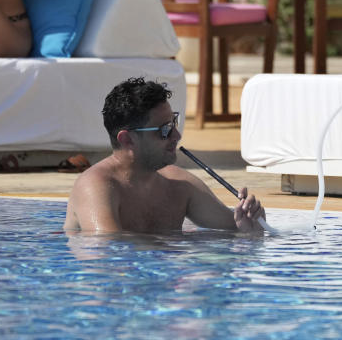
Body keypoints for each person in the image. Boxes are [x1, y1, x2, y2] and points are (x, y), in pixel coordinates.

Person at [64, 77, 267, 234]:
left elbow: (236, 229)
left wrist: (251, 226)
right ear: (127, 139)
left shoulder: (180, 185)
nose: (176, 136)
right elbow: (108, 255)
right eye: (164, 130)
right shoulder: (95, 187)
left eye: (174, 124)